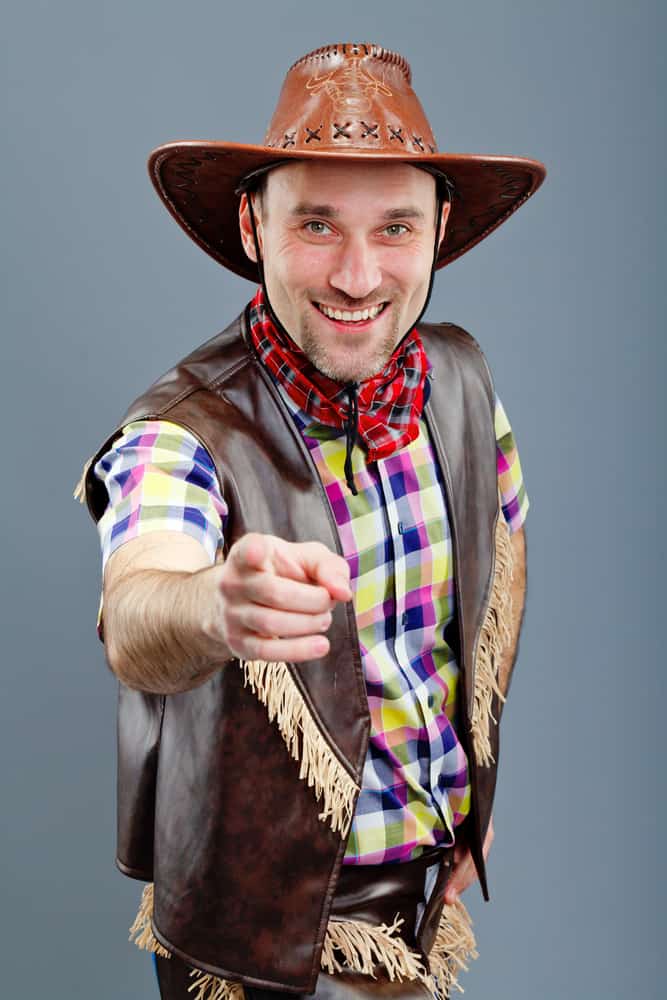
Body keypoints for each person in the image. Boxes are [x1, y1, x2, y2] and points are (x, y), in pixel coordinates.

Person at [76, 41, 545, 1000]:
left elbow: (503, 550)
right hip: (254, 941)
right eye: (317, 225)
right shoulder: (179, 432)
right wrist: (214, 606)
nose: (360, 275)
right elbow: (137, 614)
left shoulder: (460, 379)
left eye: (396, 229)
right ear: (252, 225)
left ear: (439, 229)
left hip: (419, 905)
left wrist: (468, 781)